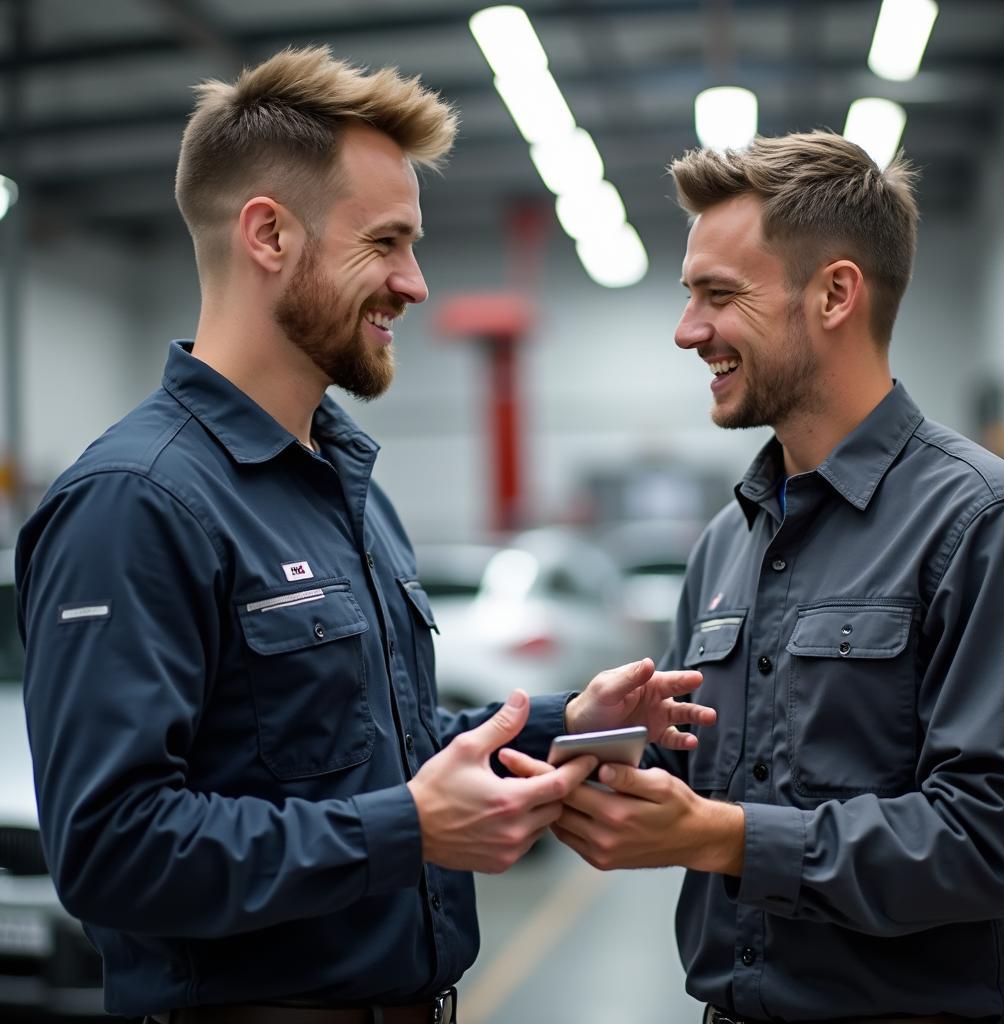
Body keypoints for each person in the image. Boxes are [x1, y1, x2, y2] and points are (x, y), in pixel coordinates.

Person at [14, 47, 715, 1024]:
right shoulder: (136, 501)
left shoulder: (343, 480)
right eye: (385, 242)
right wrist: (407, 829)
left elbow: (374, 745)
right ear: (268, 234)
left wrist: (563, 720)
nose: (414, 283)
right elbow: (114, 849)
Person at [505, 131, 1004, 1021]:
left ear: (835, 294)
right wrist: (606, 761)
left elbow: (992, 837)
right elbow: (715, 769)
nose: (687, 330)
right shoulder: (725, 542)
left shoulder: (982, 521)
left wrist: (724, 837)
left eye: (719, 295)